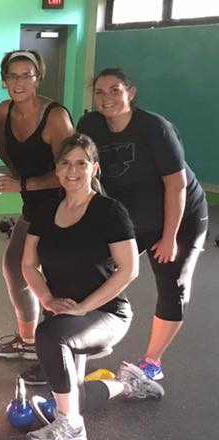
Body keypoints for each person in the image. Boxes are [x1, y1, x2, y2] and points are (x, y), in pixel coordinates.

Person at [22, 134, 164, 440]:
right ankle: (128, 384)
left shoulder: (110, 211)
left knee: (48, 337)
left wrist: (84, 307)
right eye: (65, 163)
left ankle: (71, 426)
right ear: (57, 169)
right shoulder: (45, 211)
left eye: (81, 163)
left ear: (94, 169)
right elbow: (28, 265)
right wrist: (46, 299)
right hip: (65, 315)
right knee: (76, 396)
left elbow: (129, 269)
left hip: (106, 314)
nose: (72, 171)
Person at [77, 68, 209, 381]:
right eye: (99, 92)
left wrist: (169, 236)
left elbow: (176, 185)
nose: (106, 98)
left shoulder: (154, 128)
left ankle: (152, 362)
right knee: (94, 268)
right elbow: (88, 173)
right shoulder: (90, 126)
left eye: (115, 90)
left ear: (130, 93)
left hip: (181, 216)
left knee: (173, 284)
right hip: (131, 216)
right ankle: (97, 335)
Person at [0, 50, 75, 386]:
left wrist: (22, 184)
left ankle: (55, 354)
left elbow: (70, 172)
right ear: (4, 80)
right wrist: (19, 179)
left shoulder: (55, 117)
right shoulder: (4, 111)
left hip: (64, 206)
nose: (19, 82)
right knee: (15, 267)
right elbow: (2, 146)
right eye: (13, 75)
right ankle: (27, 341)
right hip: (33, 206)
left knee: (53, 279)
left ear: (38, 78)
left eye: (27, 75)